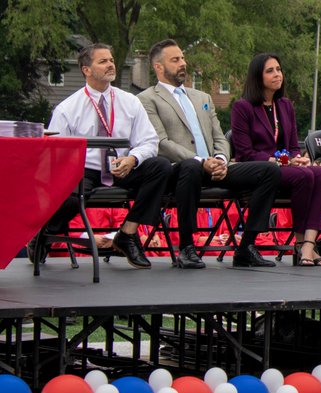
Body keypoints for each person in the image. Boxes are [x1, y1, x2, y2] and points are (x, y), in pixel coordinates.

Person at [139, 39, 282, 269]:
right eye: (175, 60)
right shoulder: (147, 99)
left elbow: (220, 137)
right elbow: (161, 142)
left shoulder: (202, 98)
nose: (182, 63)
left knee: (270, 171)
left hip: (216, 168)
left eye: (183, 58)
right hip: (179, 169)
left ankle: (246, 247)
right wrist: (201, 161)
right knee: (191, 167)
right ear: (158, 67)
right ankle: (186, 247)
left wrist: (222, 160)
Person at [39, 43, 172, 268]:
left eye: (111, 60)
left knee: (161, 167)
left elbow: (149, 141)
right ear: (86, 70)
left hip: (123, 167)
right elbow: (55, 153)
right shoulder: (67, 108)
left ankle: (127, 234)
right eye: (103, 61)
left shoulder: (130, 102)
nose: (110, 64)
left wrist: (133, 159)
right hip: (85, 169)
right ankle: (45, 235)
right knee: (69, 189)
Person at [230, 53, 321, 267]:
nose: (277, 74)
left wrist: (297, 158)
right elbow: (244, 153)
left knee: (320, 173)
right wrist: (282, 161)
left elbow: (294, 147)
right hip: (259, 169)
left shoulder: (285, 105)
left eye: (279, 69)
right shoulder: (243, 107)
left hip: (287, 168)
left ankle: (308, 246)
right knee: (303, 175)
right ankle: (299, 241)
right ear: (258, 77)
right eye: (270, 71)